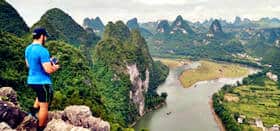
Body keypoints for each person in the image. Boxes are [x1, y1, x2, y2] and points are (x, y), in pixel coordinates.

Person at [25, 28, 59, 131]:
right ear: (42, 36)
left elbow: (28, 65)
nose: (46, 39)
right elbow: (48, 70)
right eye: (45, 37)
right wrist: (55, 67)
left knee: (40, 95)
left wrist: (45, 62)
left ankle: (33, 112)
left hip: (31, 80)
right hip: (42, 82)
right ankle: (40, 128)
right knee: (44, 106)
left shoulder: (28, 48)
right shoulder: (43, 50)